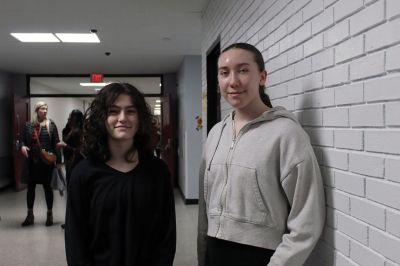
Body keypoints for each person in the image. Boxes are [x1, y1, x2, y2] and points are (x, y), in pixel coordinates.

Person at [197, 43, 325, 266]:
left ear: (262, 77)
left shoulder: (286, 134)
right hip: (215, 252)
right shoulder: (216, 133)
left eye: (243, 70)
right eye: (224, 73)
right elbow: (204, 209)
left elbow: (308, 219)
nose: (233, 81)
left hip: (262, 257)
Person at [65, 83, 176, 266]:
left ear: (140, 118)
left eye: (131, 111)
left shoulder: (158, 172)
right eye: (113, 111)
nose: (122, 118)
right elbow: (75, 239)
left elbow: (166, 236)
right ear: (102, 118)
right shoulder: (84, 174)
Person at [20, 101, 61, 227]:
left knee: (48, 189)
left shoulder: (51, 125)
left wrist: (58, 162)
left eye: (46, 109)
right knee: (30, 189)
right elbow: (22, 140)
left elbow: (56, 144)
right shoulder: (28, 125)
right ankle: (30, 215)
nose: (45, 111)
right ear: (37, 110)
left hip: (46, 164)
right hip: (32, 163)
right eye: (42, 109)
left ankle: (49, 215)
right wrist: (22, 146)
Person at [57, 109, 84, 185]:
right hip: (69, 161)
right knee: (70, 181)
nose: (68, 118)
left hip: (76, 162)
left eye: (71, 117)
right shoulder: (71, 129)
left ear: (76, 119)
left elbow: (81, 150)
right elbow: (65, 134)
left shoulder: (79, 132)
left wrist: (65, 146)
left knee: (74, 184)